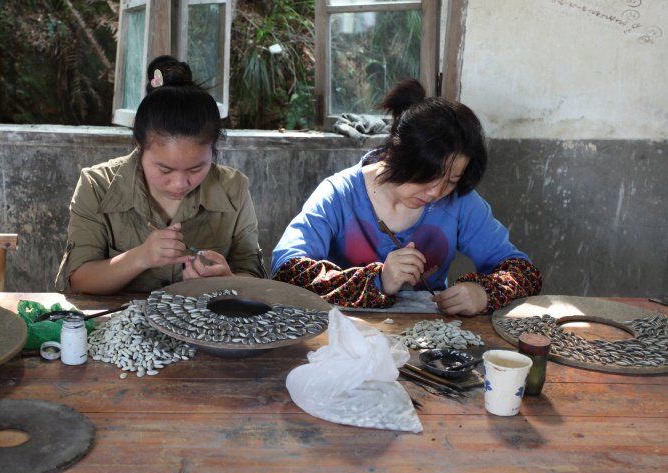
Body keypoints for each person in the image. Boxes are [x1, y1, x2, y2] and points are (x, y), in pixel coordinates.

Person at [271, 79, 542, 316]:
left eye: (451, 180)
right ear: (395, 156)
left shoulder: (460, 201)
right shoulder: (338, 195)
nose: (436, 192)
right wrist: (378, 280)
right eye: (426, 176)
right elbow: (285, 272)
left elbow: (523, 271)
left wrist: (485, 292)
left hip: (429, 344)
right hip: (346, 338)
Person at [55, 55, 266, 294]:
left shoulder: (233, 188)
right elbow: (79, 282)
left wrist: (226, 281)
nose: (179, 183)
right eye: (164, 169)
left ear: (213, 150)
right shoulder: (97, 186)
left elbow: (252, 276)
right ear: (139, 145)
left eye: (196, 168)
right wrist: (140, 257)